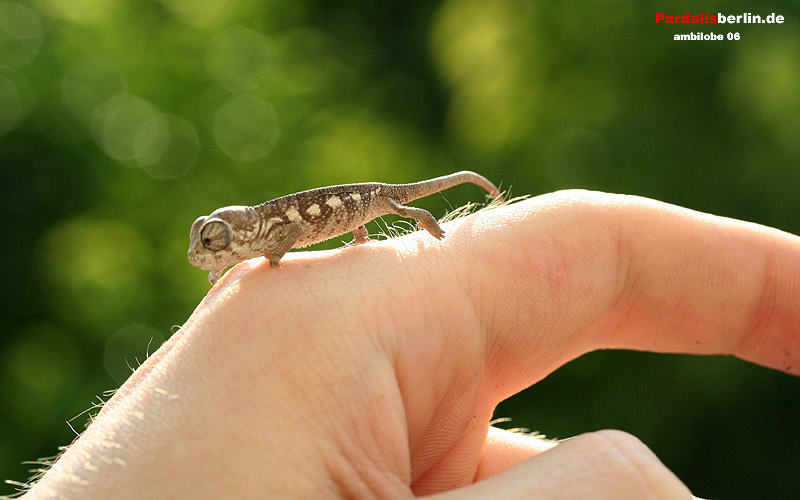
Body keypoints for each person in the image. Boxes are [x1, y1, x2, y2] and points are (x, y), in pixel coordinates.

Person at [22, 190, 798, 499]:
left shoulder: (266, 239)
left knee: (398, 199)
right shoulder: (254, 252)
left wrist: (431, 239)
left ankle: (440, 218)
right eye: (214, 240)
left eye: (217, 238)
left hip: (355, 204)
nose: (215, 248)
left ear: (239, 229)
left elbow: (299, 237)